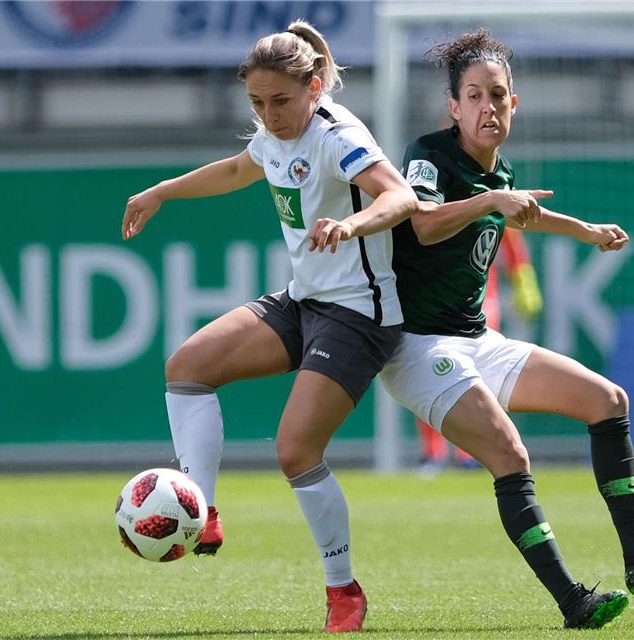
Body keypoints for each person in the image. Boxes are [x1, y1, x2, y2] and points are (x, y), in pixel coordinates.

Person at [379, 29, 634, 630]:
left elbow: (523, 213)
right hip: (418, 347)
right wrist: (494, 202)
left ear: (515, 104)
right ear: (453, 107)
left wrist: (584, 230)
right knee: (511, 453)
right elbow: (425, 224)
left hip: (476, 339)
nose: (489, 107)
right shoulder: (428, 154)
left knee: (606, 400)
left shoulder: (499, 170)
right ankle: (574, 602)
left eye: (499, 96)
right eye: (475, 96)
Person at [121, 21, 416, 633]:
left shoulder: (338, 136)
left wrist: (354, 226)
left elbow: (400, 197)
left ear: (313, 86)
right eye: (257, 103)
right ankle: (198, 508)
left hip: (359, 313)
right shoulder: (275, 133)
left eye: (280, 101)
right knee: (188, 367)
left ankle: (344, 592)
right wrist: (162, 192)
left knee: (294, 450)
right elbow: (236, 170)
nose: (270, 115)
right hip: (305, 301)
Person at [416, 227, 542, 473]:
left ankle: (469, 454)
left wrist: (523, 280)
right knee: (428, 370)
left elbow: (510, 232)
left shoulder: (488, 195)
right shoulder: (432, 196)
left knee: (477, 376)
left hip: (480, 300)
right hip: (434, 297)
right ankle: (432, 453)